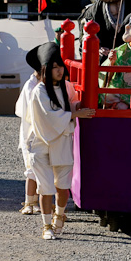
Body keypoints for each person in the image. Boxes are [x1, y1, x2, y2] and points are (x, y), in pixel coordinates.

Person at [26, 43, 96, 239]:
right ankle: (46, 226)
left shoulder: (67, 86)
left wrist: (81, 104)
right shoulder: (39, 90)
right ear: (45, 70)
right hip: (42, 142)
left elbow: (71, 102)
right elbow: (49, 116)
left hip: (62, 140)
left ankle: (59, 216)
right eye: (54, 67)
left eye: (60, 66)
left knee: (62, 185)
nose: (59, 70)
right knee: (46, 186)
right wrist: (74, 113)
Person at [15, 54, 41, 216]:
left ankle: (35, 201)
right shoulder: (31, 85)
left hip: (37, 128)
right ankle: (29, 201)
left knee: (40, 168)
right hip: (31, 129)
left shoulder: (36, 83)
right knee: (31, 168)